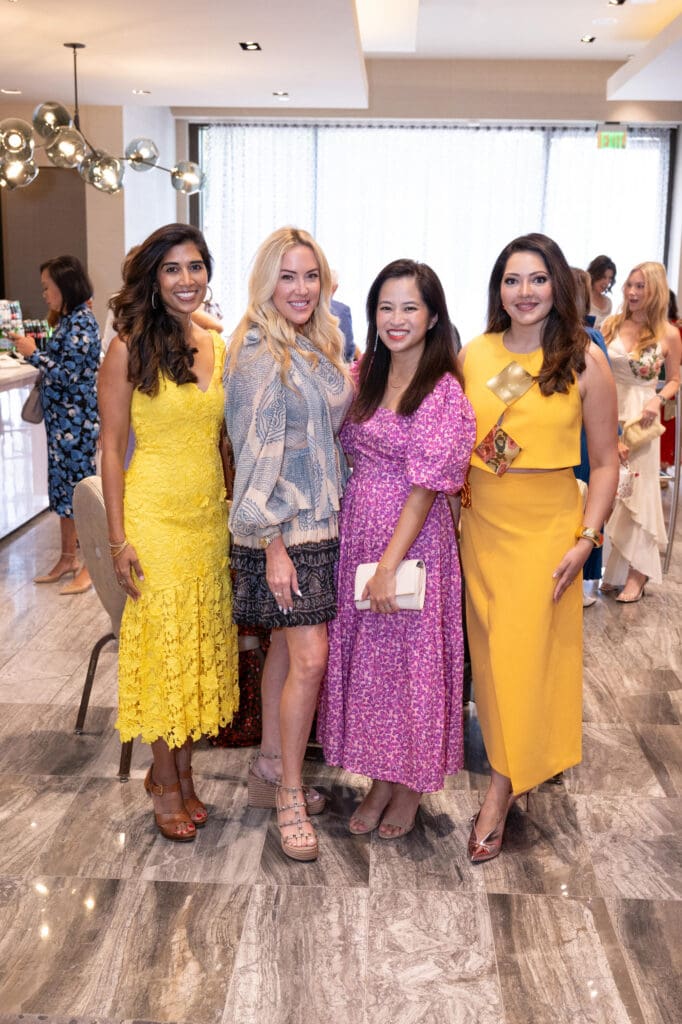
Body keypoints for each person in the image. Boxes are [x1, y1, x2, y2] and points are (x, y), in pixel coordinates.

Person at [459, 233, 618, 863]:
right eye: (511, 280)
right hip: (480, 524)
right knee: (492, 660)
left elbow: (605, 463)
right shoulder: (475, 354)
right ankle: (515, 757)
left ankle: (501, 790)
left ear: (557, 283)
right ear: (498, 289)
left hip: (547, 528)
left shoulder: (584, 360)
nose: (524, 293)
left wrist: (588, 538)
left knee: (524, 656)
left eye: (536, 279)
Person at [317, 259, 476, 838]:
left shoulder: (443, 391)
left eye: (410, 307)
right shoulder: (367, 372)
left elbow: (425, 487)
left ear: (433, 316)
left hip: (411, 542)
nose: (396, 318)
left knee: (409, 665)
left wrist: (389, 565)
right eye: (386, 307)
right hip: (359, 529)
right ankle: (382, 779)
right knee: (372, 665)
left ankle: (408, 786)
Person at [98, 223, 239, 842]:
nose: (187, 280)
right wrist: (117, 540)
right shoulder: (127, 346)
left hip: (209, 520)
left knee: (197, 646)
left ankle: (183, 771)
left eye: (196, 267)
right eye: (173, 269)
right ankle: (163, 778)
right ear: (153, 278)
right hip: (153, 522)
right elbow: (110, 449)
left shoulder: (216, 343)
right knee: (163, 652)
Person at [225, 226, 353, 862]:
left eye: (310, 276)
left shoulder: (313, 341)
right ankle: (291, 798)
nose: (300, 288)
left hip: (321, 522)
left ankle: (269, 771)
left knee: (284, 650)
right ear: (266, 282)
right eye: (287, 276)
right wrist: (274, 544)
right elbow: (253, 455)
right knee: (310, 659)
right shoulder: (256, 352)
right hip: (283, 529)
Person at [12, 256, 100, 595]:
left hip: (76, 427)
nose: (45, 294)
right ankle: (67, 558)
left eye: (48, 287)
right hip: (63, 426)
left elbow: (67, 375)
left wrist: (34, 353)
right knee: (65, 494)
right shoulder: (68, 321)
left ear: (65, 286)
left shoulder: (82, 323)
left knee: (81, 496)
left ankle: (90, 567)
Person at [600, 262, 681, 602]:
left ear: (655, 291)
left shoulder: (669, 334)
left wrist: (658, 399)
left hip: (643, 422)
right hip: (607, 412)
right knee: (610, 490)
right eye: (629, 286)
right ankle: (614, 567)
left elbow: (676, 377)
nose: (632, 292)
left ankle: (639, 574)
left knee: (641, 491)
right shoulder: (610, 324)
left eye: (640, 287)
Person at [571, 267, 613, 607]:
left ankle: (584, 571)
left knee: (585, 500)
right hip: (575, 435)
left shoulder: (588, 343)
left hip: (586, 435)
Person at [586, 255, 617, 329]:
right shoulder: (583, 298)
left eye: (610, 278)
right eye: (603, 277)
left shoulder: (608, 302)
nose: (606, 282)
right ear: (594, 275)